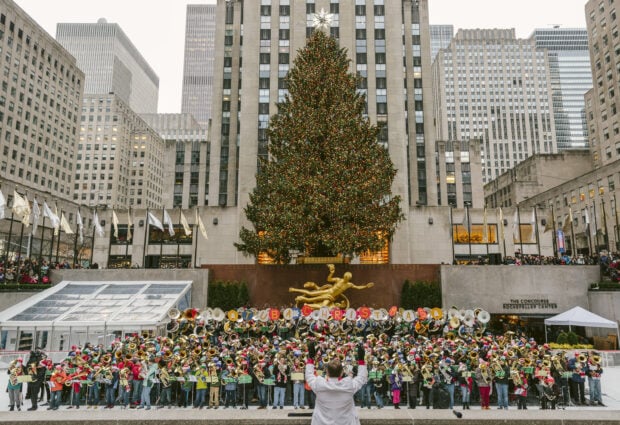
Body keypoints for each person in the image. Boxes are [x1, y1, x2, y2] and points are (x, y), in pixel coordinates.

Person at [305, 341, 367, 425]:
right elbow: (362, 378)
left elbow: (309, 375)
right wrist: (361, 360)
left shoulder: (319, 384)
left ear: (327, 372)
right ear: (342, 372)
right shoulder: (349, 385)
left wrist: (311, 358)